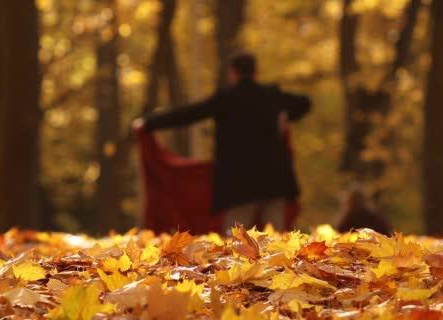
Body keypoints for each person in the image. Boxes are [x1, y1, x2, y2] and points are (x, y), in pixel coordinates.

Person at [133, 53, 311, 232]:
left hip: (238, 183)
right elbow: (304, 103)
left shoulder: (226, 99)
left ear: (233, 73)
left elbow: (189, 114)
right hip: (274, 180)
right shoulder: (271, 95)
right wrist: (286, 116)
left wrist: (149, 123)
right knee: (277, 237)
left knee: (237, 242)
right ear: (255, 72)